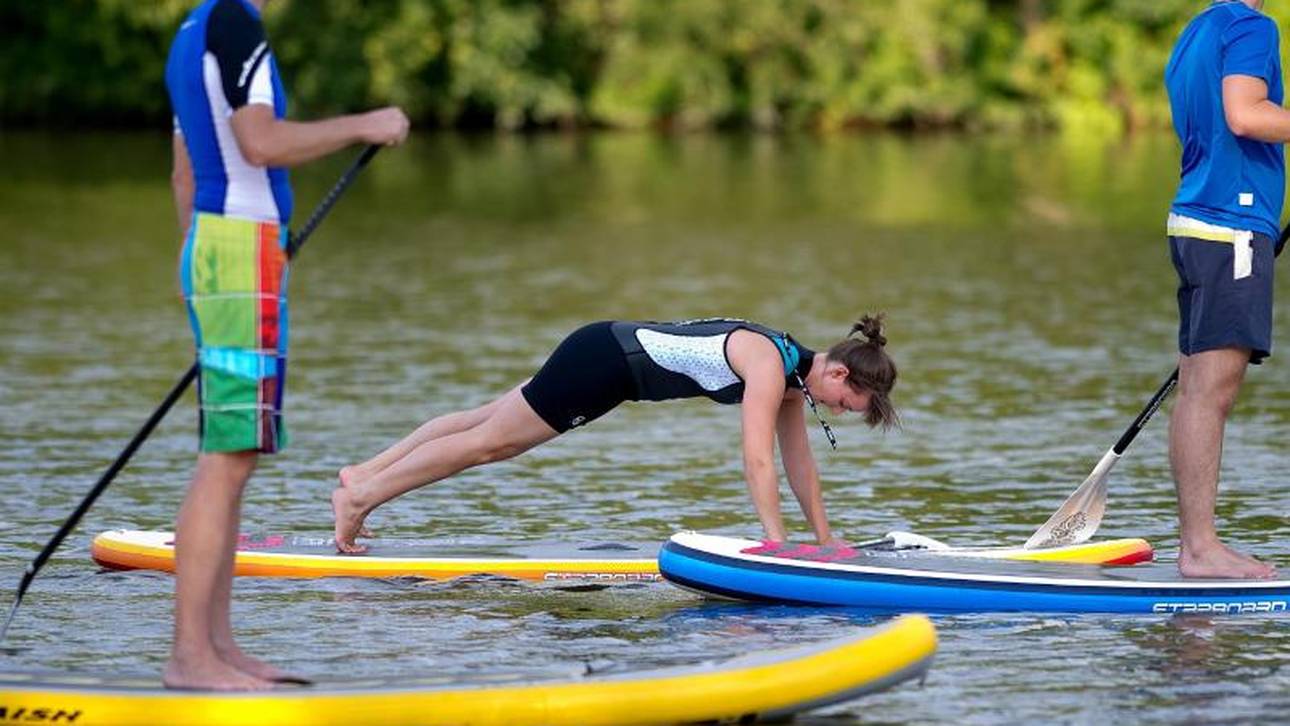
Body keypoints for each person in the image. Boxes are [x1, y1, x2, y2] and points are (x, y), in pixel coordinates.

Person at [165, 0, 409, 690]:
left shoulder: (194, 28)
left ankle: (216, 649)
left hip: (226, 252)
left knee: (233, 456)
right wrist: (369, 123)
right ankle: (190, 658)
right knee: (227, 457)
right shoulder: (234, 24)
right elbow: (260, 143)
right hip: (237, 253)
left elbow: (184, 169)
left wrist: (202, 267)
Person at [332, 316, 898, 553]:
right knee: (491, 443)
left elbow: (799, 466)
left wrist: (826, 543)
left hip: (603, 348)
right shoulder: (772, 365)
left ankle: (364, 473)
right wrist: (774, 544)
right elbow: (756, 460)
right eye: (850, 405)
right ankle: (360, 498)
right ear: (839, 374)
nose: (844, 413)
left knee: (483, 421)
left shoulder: (793, 373)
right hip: (604, 364)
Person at [1164, 0, 1284, 579]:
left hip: (1196, 221)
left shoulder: (1197, 31)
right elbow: (1245, 115)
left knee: (1197, 389)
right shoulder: (1251, 26)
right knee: (1212, 390)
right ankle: (1200, 549)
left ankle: (1197, 545)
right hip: (1231, 223)